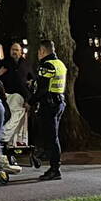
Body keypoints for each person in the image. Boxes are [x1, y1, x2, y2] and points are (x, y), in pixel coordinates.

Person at [29, 39, 67, 181]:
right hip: (59, 102)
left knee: (52, 137)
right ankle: (51, 164)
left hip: (49, 105)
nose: (38, 54)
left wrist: (30, 102)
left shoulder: (47, 65)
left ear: (43, 51)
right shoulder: (60, 64)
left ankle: (55, 169)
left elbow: (42, 89)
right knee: (52, 136)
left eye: (39, 51)